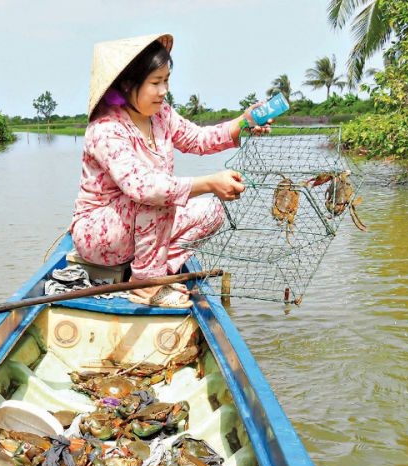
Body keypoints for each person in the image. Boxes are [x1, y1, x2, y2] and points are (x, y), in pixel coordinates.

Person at [70, 33, 270, 309]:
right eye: (155, 83)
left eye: (166, 81)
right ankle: (147, 285)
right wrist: (210, 182)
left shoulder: (161, 114)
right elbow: (143, 188)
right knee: (159, 195)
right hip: (101, 235)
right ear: (128, 85)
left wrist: (243, 123)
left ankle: (158, 269)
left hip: (141, 221)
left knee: (214, 211)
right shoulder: (106, 129)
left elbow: (198, 139)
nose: (164, 91)